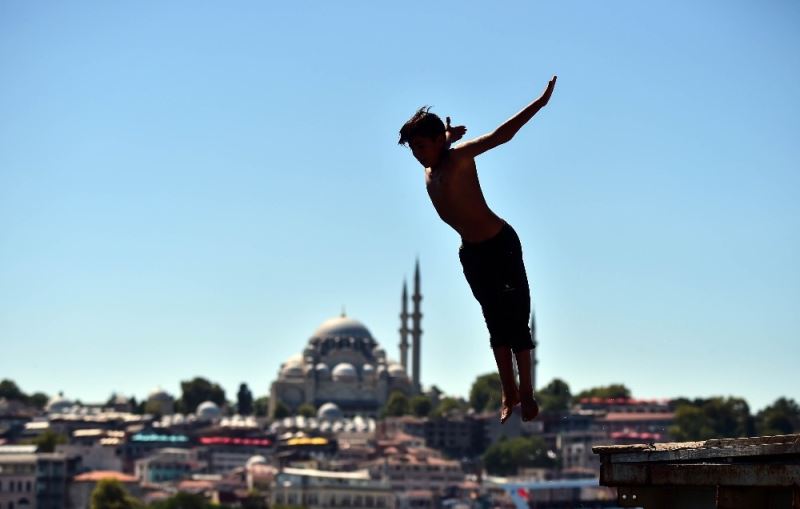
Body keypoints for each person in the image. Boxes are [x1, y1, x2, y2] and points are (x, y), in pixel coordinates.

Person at [398, 76, 557, 423]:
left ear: (438, 142)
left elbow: (502, 136)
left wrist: (539, 103)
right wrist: (444, 140)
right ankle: (508, 391)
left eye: (422, 146)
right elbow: (436, 153)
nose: (418, 155)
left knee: (517, 323)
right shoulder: (431, 167)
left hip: (500, 244)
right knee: (494, 324)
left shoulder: (457, 159)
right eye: (413, 149)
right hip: (471, 252)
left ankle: (527, 392)